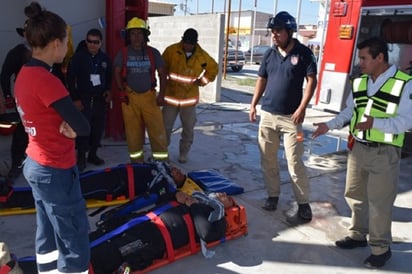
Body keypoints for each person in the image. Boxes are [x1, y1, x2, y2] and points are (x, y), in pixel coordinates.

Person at [312, 37, 412, 268]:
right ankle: (358, 235)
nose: (360, 62)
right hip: (358, 149)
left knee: (379, 203)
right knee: (355, 195)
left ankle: (380, 248)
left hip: (384, 153)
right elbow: (349, 111)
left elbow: (407, 122)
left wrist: (374, 123)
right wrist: (329, 125)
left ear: (380, 57)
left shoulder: (404, 83)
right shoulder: (360, 82)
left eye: (364, 58)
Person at [14, 2, 91, 273]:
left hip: (35, 163)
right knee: (73, 238)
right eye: (67, 40)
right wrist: (72, 126)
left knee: (47, 230)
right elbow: (83, 126)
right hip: (54, 169)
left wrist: (67, 124)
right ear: (57, 43)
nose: (68, 45)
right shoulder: (46, 80)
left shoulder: (24, 74)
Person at [248, 11, 317, 223]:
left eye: (278, 31)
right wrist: (253, 105)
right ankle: (273, 196)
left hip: (291, 120)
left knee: (295, 162)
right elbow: (261, 80)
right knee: (268, 160)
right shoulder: (269, 54)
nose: (274, 35)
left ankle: (303, 204)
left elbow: (311, 81)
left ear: (289, 31)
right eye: (273, 31)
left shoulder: (304, 53)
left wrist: (302, 108)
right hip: (268, 116)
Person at [113, 17, 168, 163]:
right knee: (133, 133)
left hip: (150, 97)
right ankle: (137, 163)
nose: (136, 37)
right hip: (130, 98)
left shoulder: (153, 53)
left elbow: (163, 74)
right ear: (128, 36)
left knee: (157, 131)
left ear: (145, 35)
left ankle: (161, 161)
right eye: (133, 34)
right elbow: (117, 71)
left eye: (139, 33)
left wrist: (161, 95)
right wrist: (121, 91)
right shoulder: (123, 53)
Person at [162, 28, 219, 163]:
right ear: (182, 40)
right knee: (165, 127)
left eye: (190, 43)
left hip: (188, 100)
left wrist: (202, 81)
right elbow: (162, 68)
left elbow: (213, 69)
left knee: (188, 129)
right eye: (185, 42)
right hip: (171, 97)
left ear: (195, 43)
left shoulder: (201, 56)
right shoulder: (171, 51)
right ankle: (162, 153)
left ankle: (183, 154)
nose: (187, 45)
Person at [67, 28, 112, 171]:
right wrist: (75, 99)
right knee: (83, 129)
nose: (92, 45)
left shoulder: (105, 59)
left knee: (97, 130)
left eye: (96, 42)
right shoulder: (78, 58)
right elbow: (70, 79)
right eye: (89, 41)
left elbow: (109, 77)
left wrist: (109, 91)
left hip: (99, 100)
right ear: (86, 41)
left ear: (101, 43)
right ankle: (81, 157)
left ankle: (93, 154)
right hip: (84, 99)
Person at [0, 21, 31, 180]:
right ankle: (16, 164)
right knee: (21, 133)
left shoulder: (48, 50)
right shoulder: (18, 52)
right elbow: (5, 74)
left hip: (44, 100)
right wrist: (7, 96)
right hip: (25, 99)